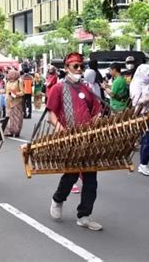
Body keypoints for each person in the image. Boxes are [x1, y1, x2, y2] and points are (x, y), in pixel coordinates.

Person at [48, 52, 103, 231]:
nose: (79, 69)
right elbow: (52, 114)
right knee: (71, 174)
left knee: (91, 179)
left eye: (81, 66)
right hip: (69, 139)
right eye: (75, 66)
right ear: (66, 68)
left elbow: (96, 111)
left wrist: (96, 123)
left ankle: (84, 216)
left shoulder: (87, 88)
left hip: (88, 140)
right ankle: (58, 200)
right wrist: (61, 130)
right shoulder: (58, 88)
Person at [129, 64, 149, 176]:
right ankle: (143, 164)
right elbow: (138, 101)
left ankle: (144, 163)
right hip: (142, 114)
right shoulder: (136, 84)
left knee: (148, 140)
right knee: (148, 140)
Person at [5, 69, 24, 137]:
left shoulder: (19, 81)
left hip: (16, 102)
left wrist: (14, 94)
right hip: (8, 102)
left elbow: (22, 92)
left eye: (10, 73)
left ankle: (16, 131)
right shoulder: (8, 82)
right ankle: (9, 131)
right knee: (9, 117)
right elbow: (5, 91)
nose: (8, 75)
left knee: (16, 118)